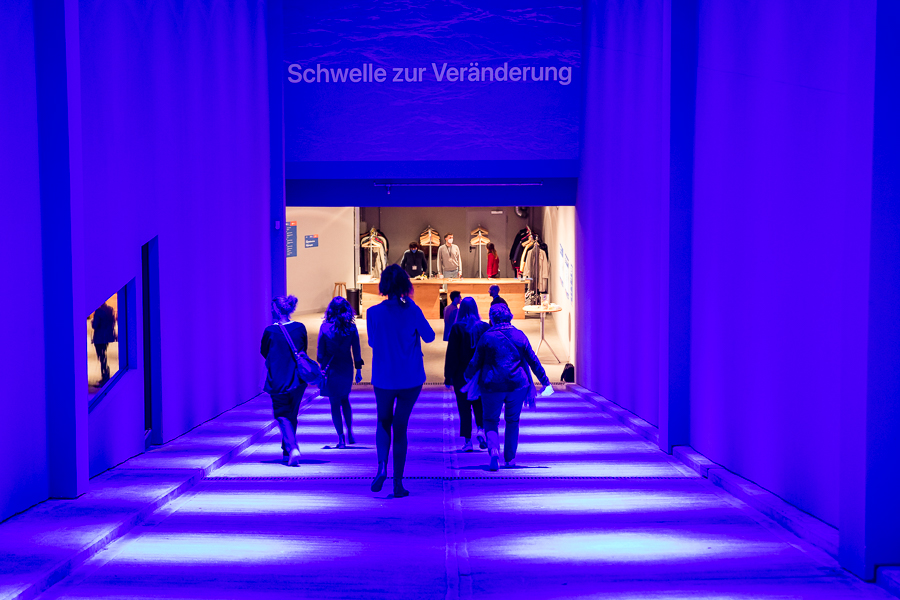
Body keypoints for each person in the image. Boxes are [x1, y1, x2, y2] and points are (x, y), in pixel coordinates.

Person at [367, 264, 436, 497]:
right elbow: (429, 336)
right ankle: (398, 484)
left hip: (383, 377)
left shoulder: (373, 313)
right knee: (400, 427)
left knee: (383, 421)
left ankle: (381, 467)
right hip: (410, 377)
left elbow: (372, 342)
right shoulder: (412, 310)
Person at [464, 303, 554, 471]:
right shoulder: (519, 335)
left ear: (492, 318)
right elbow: (533, 360)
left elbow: (475, 362)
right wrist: (545, 381)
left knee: (490, 420)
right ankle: (510, 459)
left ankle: (494, 451)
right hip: (517, 385)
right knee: (512, 421)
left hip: (492, 385)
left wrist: (467, 375)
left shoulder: (486, 337)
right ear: (510, 316)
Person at [260, 295, 309, 467]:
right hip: (298, 379)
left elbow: (264, 352)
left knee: (281, 414)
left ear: (276, 309)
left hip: (278, 378)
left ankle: (293, 447)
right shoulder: (300, 327)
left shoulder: (270, 331)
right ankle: (286, 451)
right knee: (292, 414)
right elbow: (303, 349)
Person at [317, 296, 364, 448]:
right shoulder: (351, 328)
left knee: (334, 404)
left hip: (331, 369)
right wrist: (358, 370)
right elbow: (356, 350)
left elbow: (320, 353)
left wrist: (321, 367)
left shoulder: (325, 327)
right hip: (346, 367)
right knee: (345, 400)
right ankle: (350, 431)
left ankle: (341, 439)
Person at [444, 298, 490, 452]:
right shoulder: (484, 327)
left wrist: (448, 376)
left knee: (464, 408)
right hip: (480, 373)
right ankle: (481, 429)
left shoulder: (457, 328)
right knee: (479, 404)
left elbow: (452, 354)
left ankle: (468, 441)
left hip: (461, 374)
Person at [91, 302, 117, 384]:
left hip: (99, 338)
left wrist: (92, 322)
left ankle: (105, 376)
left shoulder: (98, 311)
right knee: (103, 356)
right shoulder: (110, 309)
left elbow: (95, 325)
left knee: (101, 358)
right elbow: (113, 322)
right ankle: (106, 375)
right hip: (107, 336)